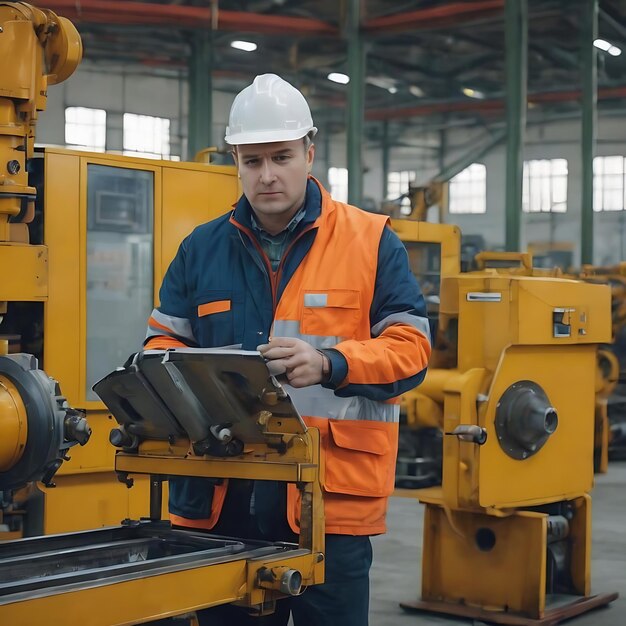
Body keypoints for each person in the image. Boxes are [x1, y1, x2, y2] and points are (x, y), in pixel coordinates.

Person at [144, 73, 431, 626]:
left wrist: (330, 364)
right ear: (235, 160)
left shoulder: (371, 241)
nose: (267, 175)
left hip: (328, 498)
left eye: (281, 156)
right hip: (223, 494)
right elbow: (163, 341)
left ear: (309, 151)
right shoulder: (200, 248)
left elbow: (412, 348)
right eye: (252, 161)